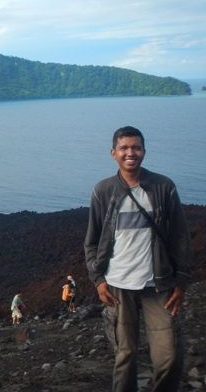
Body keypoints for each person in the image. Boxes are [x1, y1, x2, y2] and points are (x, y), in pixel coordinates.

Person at [84, 126, 191, 392]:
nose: (130, 153)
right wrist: (98, 280)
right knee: (125, 355)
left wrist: (181, 281)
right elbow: (92, 241)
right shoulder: (104, 190)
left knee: (169, 356)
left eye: (136, 147)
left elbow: (180, 236)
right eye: (124, 148)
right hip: (119, 286)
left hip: (159, 285)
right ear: (113, 153)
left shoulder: (163, 187)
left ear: (144, 151)